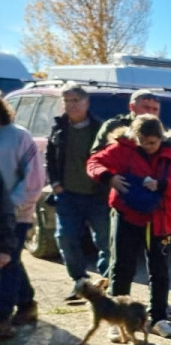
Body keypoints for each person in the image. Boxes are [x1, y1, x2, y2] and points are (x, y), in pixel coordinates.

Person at [86, 116, 171, 339]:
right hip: (128, 216)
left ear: (161, 138)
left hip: (160, 220)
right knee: (122, 267)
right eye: (142, 141)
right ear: (134, 137)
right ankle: (117, 320)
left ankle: (158, 318)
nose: (147, 147)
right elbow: (94, 163)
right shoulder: (122, 149)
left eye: (152, 143)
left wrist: (164, 185)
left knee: (160, 271)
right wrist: (108, 177)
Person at [46, 86, 108, 301]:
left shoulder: (100, 128)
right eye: (67, 100)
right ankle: (80, 282)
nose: (70, 105)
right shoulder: (60, 127)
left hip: (97, 196)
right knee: (65, 237)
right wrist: (54, 182)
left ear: (86, 103)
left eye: (75, 100)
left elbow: (110, 160)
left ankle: (105, 284)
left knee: (105, 241)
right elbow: (50, 157)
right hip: (68, 196)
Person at [0, 96, 44, 334]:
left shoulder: (19, 136)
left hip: (15, 214)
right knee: (11, 262)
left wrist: (12, 206)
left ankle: (2, 319)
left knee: (5, 264)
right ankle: (27, 304)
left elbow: (34, 180)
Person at [92, 89, 161, 153]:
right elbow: (96, 155)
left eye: (155, 109)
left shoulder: (163, 133)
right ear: (132, 107)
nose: (151, 112)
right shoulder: (113, 126)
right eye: (146, 107)